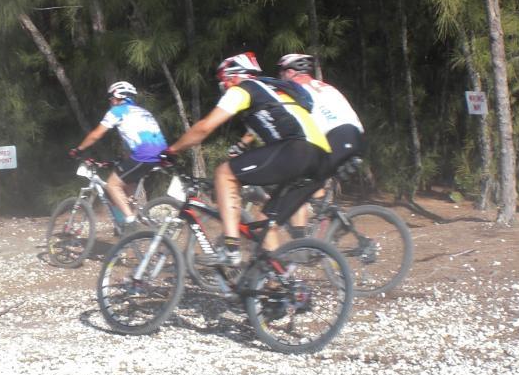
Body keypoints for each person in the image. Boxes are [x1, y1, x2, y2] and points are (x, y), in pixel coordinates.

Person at [162, 52, 330, 266]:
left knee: (224, 174)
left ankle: (230, 249)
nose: (223, 86)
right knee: (265, 225)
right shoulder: (273, 90)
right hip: (321, 158)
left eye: (223, 81)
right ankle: (275, 280)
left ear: (234, 76)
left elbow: (204, 128)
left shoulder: (243, 88)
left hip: (296, 150)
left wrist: (172, 150)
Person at [276, 53, 365, 233]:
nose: (280, 76)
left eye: (281, 72)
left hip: (337, 137)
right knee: (310, 182)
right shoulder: (325, 87)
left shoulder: (293, 90)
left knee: (298, 184)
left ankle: (303, 242)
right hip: (354, 137)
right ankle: (322, 229)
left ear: (290, 72)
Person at [69, 81, 167, 230]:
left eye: (111, 97)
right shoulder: (144, 112)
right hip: (162, 154)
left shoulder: (118, 111)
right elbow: (136, 139)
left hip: (144, 154)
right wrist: (120, 161)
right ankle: (135, 225)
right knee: (127, 187)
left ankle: (131, 222)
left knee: (112, 185)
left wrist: (78, 150)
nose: (110, 101)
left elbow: (96, 135)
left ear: (118, 96)